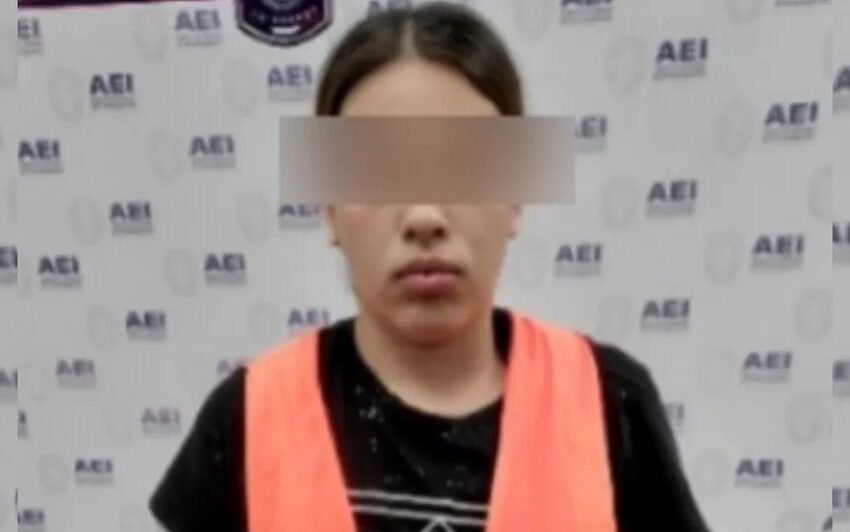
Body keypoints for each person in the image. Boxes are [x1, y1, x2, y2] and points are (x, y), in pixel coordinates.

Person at [149, 3, 712, 531]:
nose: (423, 215)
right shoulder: (247, 417)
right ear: (327, 208)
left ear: (515, 197)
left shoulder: (609, 400)